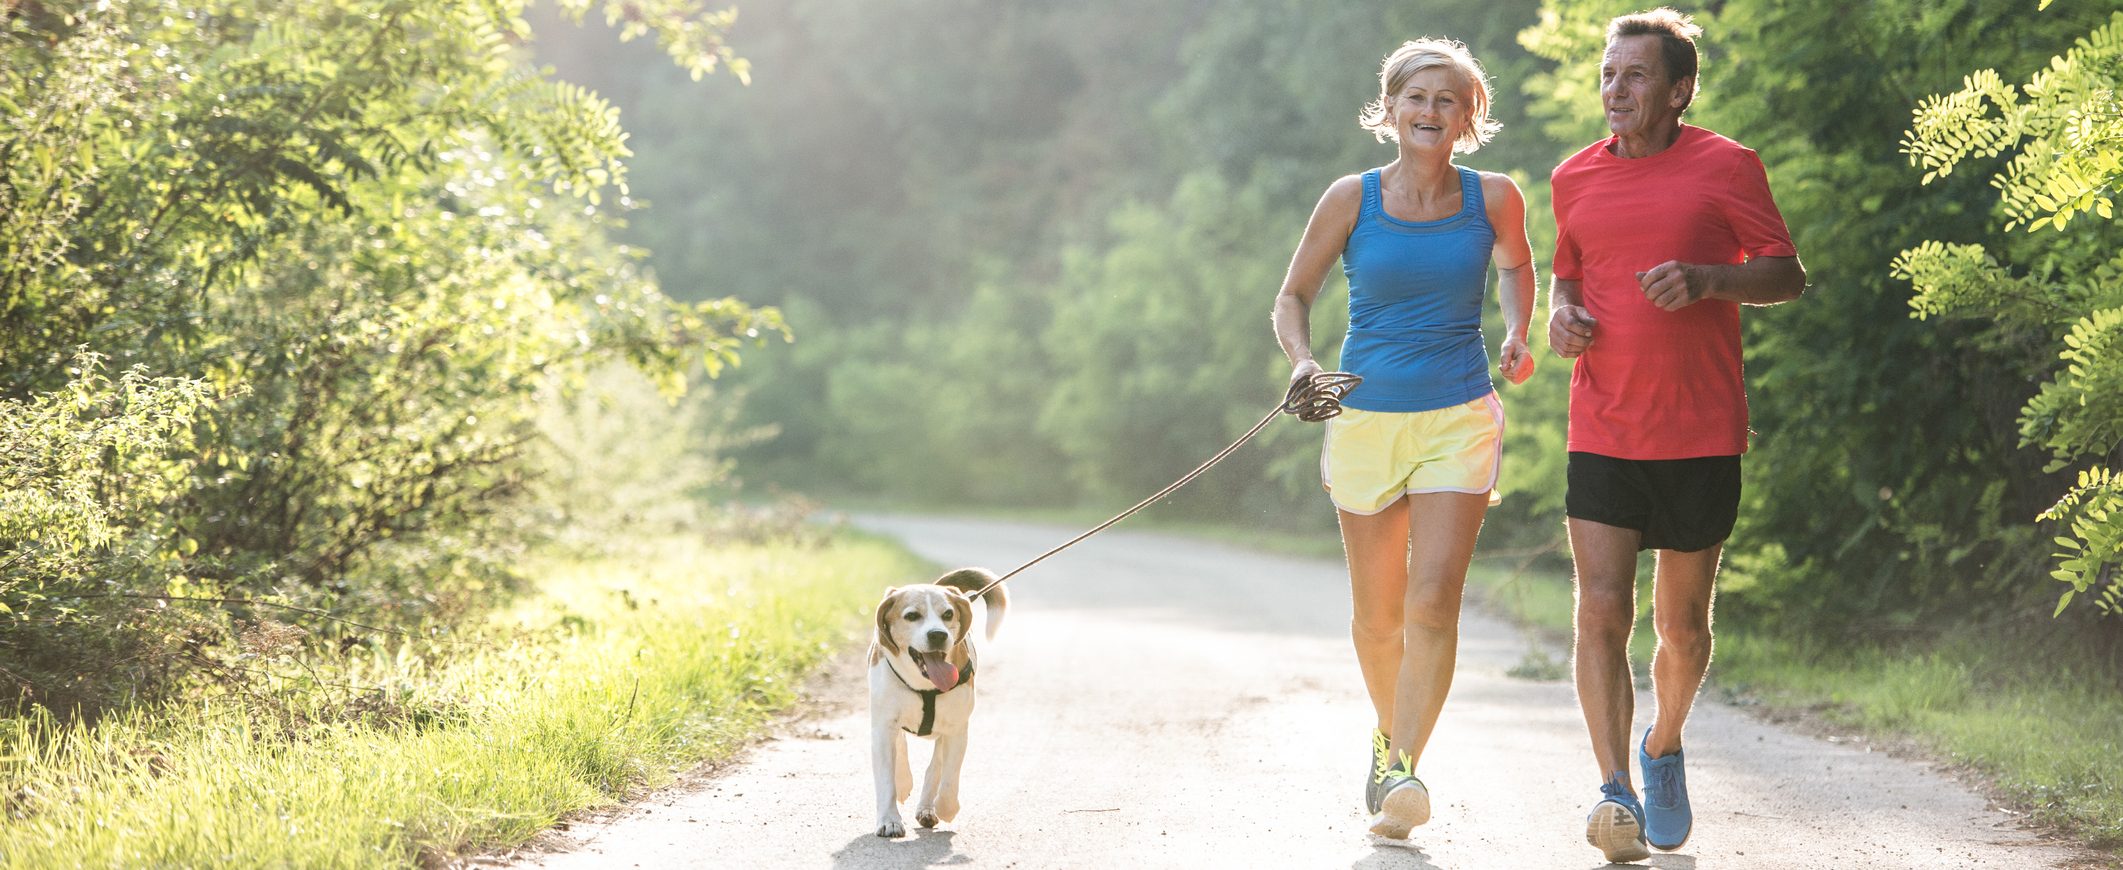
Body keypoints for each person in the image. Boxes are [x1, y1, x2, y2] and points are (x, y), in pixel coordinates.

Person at [1546, 8, 1807, 863]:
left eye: (1634, 76)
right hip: (1604, 422)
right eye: (1608, 76)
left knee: (1683, 630)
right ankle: (1614, 789)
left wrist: (1704, 279)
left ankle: (1662, 746)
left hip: (1699, 429)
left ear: (1678, 89)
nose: (1615, 91)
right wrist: (1562, 319)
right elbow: (1566, 277)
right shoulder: (1573, 177)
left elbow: (1783, 275)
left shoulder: (1727, 166)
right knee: (1598, 611)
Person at [1270, 37, 1536, 840]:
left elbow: (1517, 268)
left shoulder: (1494, 197)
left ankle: (1402, 766)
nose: (1429, 112)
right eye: (1415, 98)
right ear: (1388, 110)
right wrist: (1305, 362)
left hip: (1458, 415)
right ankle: (1390, 743)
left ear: (1468, 116)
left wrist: (1518, 329)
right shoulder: (1351, 198)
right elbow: (1291, 296)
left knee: (1433, 601)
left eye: (1445, 100)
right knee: (1378, 615)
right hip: (1362, 420)